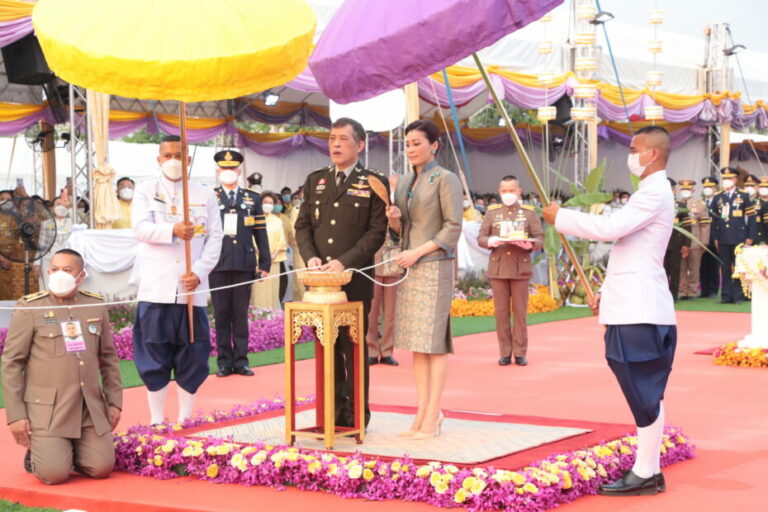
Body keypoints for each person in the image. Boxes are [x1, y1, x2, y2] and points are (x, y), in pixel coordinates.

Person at [542, 125, 677, 496]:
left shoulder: (654, 193)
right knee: (644, 389)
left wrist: (563, 217)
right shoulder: (649, 192)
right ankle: (647, 468)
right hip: (632, 306)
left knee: (642, 389)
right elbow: (627, 253)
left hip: (640, 311)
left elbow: (611, 227)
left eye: (635, 149)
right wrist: (607, 293)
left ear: (653, 154)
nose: (630, 155)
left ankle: (647, 471)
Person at [295, 117, 388, 428]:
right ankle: (331, 412)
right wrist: (310, 259)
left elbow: (376, 232)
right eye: (332, 138)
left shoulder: (374, 181)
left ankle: (357, 414)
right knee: (327, 348)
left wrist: (345, 262)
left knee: (353, 348)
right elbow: (303, 226)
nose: (335, 144)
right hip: (320, 284)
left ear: (359, 145)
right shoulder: (315, 180)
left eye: (343, 139)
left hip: (354, 281)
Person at [1, 248, 122, 485]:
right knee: (54, 474)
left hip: (88, 406)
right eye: (54, 269)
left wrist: (114, 401)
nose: (59, 274)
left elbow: (108, 357)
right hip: (48, 410)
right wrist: (15, 415)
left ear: (81, 275)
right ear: (47, 272)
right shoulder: (30, 307)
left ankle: (66, 449)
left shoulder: (94, 305)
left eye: (67, 270)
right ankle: (43, 451)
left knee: (102, 468)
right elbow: (12, 363)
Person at [131, 135, 223, 425]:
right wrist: (173, 230)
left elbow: (216, 237)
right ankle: (157, 419)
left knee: (193, 354)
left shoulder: (204, 194)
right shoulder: (145, 190)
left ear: (188, 160)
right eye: (167, 155)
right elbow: (140, 229)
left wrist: (199, 272)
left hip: (190, 288)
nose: (173, 160)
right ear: (159, 159)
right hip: (156, 288)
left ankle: (186, 419)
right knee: (153, 353)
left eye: (178, 155)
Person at [385, 119, 463, 440]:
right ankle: (422, 412)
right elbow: (403, 232)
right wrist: (394, 222)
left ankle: (433, 413)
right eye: (407, 144)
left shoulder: (446, 179)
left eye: (417, 143)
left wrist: (418, 253)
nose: (411, 149)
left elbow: (453, 227)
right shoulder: (403, 182)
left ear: (434, 145)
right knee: (417, 344)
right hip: (410, 267)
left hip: (435, 264)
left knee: (433, 343)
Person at [209, 150, 270, 378]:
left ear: (239, 170)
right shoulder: (210, 197)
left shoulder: (252, 198)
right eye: (223, 169)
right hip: (218, 264)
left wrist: (264, 262)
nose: (228, 172)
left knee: (241, 315)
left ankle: (242, 361)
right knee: (222, 315)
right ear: (217, 171)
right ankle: (224, 362)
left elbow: (260, 234)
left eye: (232, 168)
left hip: (244, 264)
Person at [477, 175, 543, 366]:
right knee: (501, 312)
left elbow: (539, 239)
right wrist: (490, 241)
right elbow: (481, 237)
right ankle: (505, 352)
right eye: (504, 191)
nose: (508, 194)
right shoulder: (492, 213)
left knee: (520, 313)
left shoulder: (529, 213)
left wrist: (528, 244)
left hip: (519, 266)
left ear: (519, 191)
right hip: (498, 267)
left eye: (512, 190)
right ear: (499, 192)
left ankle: (520, 352)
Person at [710, 167, 757, 304]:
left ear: (735, 180)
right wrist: (715, 237)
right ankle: (725, 296)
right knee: (725, 268)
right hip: (723, 237)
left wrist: (750, 236)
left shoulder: (743, 196)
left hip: (739, 237)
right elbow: (715, 219)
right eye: (724, 178)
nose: (726, 181)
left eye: (729, 178)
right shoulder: (718, 197)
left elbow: (751, 218)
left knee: (738, 268)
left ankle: (737, 296)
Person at [367, 228, 401, 366]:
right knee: (371, 312)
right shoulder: (372, 206)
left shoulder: (398, 208)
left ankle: (387, 351)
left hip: (393, 261)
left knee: (390, 313)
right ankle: (371, 350)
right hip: (373, 261)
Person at [250, 192, 286, 310]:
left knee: (272, 287)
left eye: (270, 203)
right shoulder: (254, 218)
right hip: (257, 260)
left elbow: (281, 239)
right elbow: (251, 237)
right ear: (260, 204)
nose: (268, 205)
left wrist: (275, 253)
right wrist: (260, 251)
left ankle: (272, 315)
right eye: (265, 202)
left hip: (273, 261)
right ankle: (257, 313)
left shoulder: (277, 220)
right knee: (258, 288)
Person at [678, 179, 710, 300]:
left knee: (694, 268)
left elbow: (705, 225)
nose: (685, 191)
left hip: (695, 241)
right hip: (680, 241)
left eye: (688, 189)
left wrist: (704, 242)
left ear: (693, 190)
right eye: (683, 189)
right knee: (681, 268)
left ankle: (692, 291)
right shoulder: (675, 203)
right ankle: (682, 291)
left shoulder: (699, 205)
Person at [35, 196, 75, 291]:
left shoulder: (74, 223)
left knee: (66, 288)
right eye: (58, 204)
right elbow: (42, 244)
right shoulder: (46, 224)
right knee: (48, 287)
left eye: (63, 204)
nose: (61, 207)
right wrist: (37, 263)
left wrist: (70, 207)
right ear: (52, 208)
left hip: (69, 260)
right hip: (48, 260)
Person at [663, 178, 691, 302]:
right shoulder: (659, 203)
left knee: (675, 270)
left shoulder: (680, 205)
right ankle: (662, 296)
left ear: (674, 190)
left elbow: (687, 226)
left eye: (671, 188)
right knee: (662, 270)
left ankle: (673, 296)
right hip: (660, 242)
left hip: (676, 242)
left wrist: (686, 244)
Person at [699, 176, 720, 298]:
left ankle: (713, 290)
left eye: (710, 186)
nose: (707, 189)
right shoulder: (699, 203)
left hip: (714, 238)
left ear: (715, 187)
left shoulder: (719, 201)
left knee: (713, 265)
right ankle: (704, 290)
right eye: (705, 186)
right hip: (702, 240)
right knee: (702, 265)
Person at [758, 177, 768, 244]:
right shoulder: (753, 203)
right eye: (762, 187)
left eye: (766, 187)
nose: (764, 189)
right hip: (759, 238)